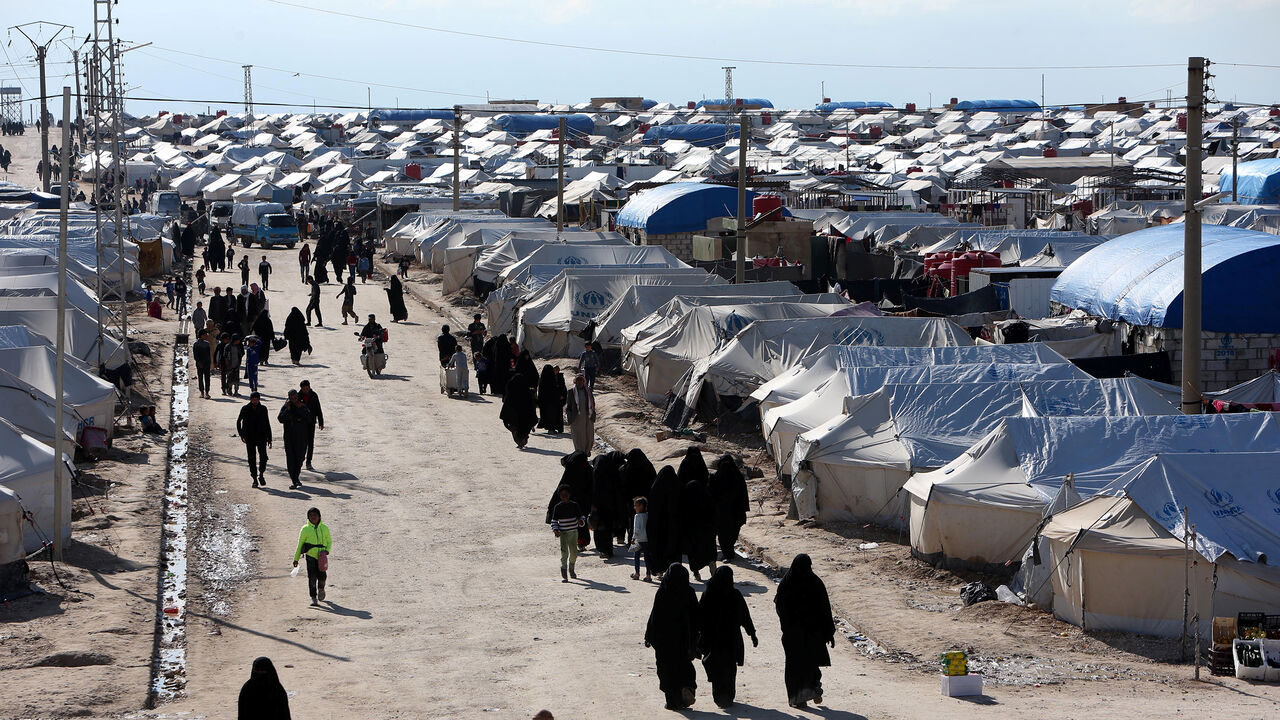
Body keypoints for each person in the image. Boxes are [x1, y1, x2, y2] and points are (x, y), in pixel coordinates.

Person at [774, 553, 836, 708]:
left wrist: (787, 625)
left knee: (794, 666)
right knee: (810, 663)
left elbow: (779, 606)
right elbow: (825, 610)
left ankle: (797, 697)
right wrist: (829, 633)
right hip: (812, 633)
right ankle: (812, 688)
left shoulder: (787, 584)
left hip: (792, 635)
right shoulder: (815, 583)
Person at [697, 566, 757, 708]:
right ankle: (728, 697)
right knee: (729, 669)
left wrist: (697, 634)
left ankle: (719, 697)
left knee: (717, 667)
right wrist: (752, 633)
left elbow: (699, 616)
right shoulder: (734, 595)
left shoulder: (708, 594)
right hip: (731, 638)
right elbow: (745, 617)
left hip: (713, 639)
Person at [645, 563, 700, 710]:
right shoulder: (689, 592)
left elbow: (654, 617)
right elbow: (696, 617)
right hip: (683, 640)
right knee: (684, 667)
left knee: (666, 670)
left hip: (664, 642)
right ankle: (686, 688)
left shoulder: (663, 592)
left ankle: (672, 701)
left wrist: (649, 636)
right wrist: (696, 639)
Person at [680, 461, 718, 581]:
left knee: (693, 553)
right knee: (709, 550)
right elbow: (714, 514)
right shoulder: (706, 498)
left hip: (692, 532)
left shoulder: (686, 502)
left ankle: (696, 573)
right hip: (707, 531)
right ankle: (712, 566)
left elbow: (683, 517)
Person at [709, 455, 749, 562]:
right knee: (729, 534)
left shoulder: (719, 476)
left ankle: (728, 552)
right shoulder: (737, 476)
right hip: (733, 512)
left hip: (724, 512)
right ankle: (728, 553)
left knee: (725, 535)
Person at [292, 506, 332, 605]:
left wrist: (327, 550)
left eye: (315, 515)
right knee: (312, 577)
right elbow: (300, 544)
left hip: (322, 557)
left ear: (319, 516)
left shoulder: (324, 528)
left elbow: (329, 541)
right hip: (310, 556)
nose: (313, 517)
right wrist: (296, 559)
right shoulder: (305, 529)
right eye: (310, 516)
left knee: (322, 576)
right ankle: (313, 597)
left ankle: (321, 589)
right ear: (308, 517)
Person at [590, 450, 626, 558]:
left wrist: (593, 505)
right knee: (607, 529)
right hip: (610, 507)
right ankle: (608, 550)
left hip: (599, 507)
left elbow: (594, 492)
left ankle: (603, 550)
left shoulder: (596, 476)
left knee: (600, 530)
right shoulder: (612, 474)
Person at [647, 466, 682, 574]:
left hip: (658, 524)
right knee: (673, 546)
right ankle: (674, 571)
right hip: (673, 523)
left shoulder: (656, 487)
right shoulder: (677, 485)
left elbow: (652, 505)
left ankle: (659, 570)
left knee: (658, 546)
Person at [548, 484, 585, 582]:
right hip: (563, 533)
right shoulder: (558, 507)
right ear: (559, 496)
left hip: (573, 532)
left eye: (566, 495)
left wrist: (581, 522)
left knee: (574, 552)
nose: (564, 497)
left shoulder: (574, 505)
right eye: (562, 495)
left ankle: (571, 568)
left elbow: (581, 517)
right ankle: (564, 572)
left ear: (569, 495)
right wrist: (555, 530)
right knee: (564, 552)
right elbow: (554, 521)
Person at [278, 390, 314, 489]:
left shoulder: (302, 405)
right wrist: (288, 409)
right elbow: (280, 418)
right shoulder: (286, 406)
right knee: (291, 459)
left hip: (301, 436)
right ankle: (294, 480)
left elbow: (310, 418)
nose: (294, 400)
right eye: (291, 398)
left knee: (300, 457)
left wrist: (301, 408)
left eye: (295, 398)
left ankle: (296, 476)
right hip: (289, 437)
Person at [621, 449, 657, 544]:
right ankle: (646, 543)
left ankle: (633, 543)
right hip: (646, 501)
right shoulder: (648, 467)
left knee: (633, 522)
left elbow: (623, 485)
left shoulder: (627, 468)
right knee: (645, 522)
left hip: (631, 501)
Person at [237, 392, 272, 487]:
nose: (255, 401)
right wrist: (241, 434)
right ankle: (254, 478)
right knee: (251, 459)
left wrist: (269, 438)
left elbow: (267, 423)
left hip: (261, 436)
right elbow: (238, 421)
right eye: (253, 400)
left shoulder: (263, 409)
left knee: (263, 457)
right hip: (250, 437)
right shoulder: (245, 409)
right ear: (251, 399)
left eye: (257, 400)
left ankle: (261, 474)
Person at [500, 371, 538, 449]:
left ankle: (520, 440)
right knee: (524, 426)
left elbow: (507, 403)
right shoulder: (526, 392)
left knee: (515, 427)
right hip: (524, 416)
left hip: (514, 417)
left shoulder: (511, 391)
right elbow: (531, 405)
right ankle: (522, 439)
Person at [566, 374, 595, 454]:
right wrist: (570, 417)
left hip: (588, 417)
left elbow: (593, 404)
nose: (580, 382)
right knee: (578, 436)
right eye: (578, 380)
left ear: (584, 381)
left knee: (589, 436)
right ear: (575, 381)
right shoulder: (571, 392)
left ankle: (587, 451)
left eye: (581, 380)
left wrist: (592, 414)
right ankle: (580, 453)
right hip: (576, 418)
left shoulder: (588, 391)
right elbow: (568, 406)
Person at [535, 365, 565, 434]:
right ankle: (551, 428)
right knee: (552, 414)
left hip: (548, 401)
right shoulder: (550, 379)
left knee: (550, 414)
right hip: (551, 401)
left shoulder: (544, 379)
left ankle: (551, 428)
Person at [630, 497, 652, 581]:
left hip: (638, 539)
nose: (634, 507)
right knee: (647, 557)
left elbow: (636, 529)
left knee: (636, 556)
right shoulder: (647, 515)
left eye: (636, 506)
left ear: (641, 506)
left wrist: (633, 538)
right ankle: (648, 575)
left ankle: (637, 573)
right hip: (646, 539)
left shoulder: (637, 516)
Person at [192, 329, 213, 398]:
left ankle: (207, 392)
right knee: (200, 378)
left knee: (207, 378)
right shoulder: (196, 344)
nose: (206, 336)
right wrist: (198, 362)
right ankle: (202, 392)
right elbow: (195, 355)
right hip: (199, 363)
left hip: (207, 363)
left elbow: (208, 354)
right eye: (205, 335)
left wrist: (210, 362)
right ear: (201, 335)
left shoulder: (207, 344)